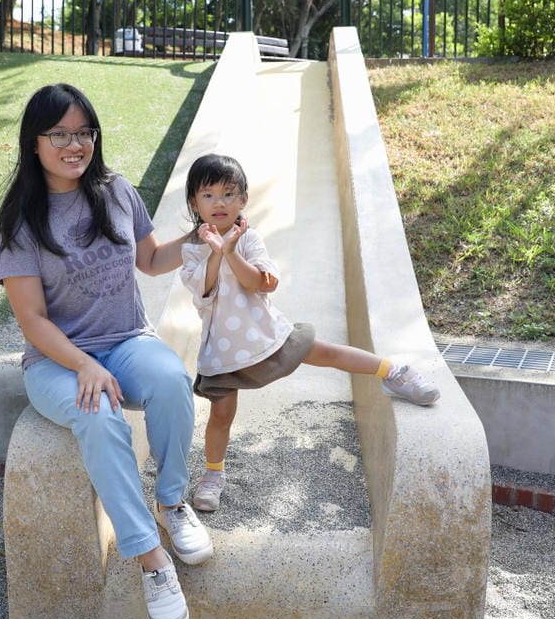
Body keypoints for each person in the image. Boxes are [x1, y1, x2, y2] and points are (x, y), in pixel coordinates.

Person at [0, 83, 212, 619]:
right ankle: (150, 560)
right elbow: (33, 321)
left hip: (126, 340)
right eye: (60, 134)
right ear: (35, 142)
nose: (75, 144)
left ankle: (171, 504)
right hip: (55, 361)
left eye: (83, 132)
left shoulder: (116, 191)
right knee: (97, 413)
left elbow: (150, 259)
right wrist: (85, 366)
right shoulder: (21, 220)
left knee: (169, 379)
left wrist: (201, 236)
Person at [179, 153, 440, 513]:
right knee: (221, 414)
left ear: (243, 200)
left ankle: (394, 371)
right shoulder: (192, 250)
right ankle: (213, 475)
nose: (219, 202)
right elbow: (203, 289)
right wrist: (215, 252)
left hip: (267, 335)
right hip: (224, 353)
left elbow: (260, 284)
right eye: (208, 195)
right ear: (194, 201)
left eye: (228, 193)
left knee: (327, 353)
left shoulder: (250, 239)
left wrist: (230, 251)